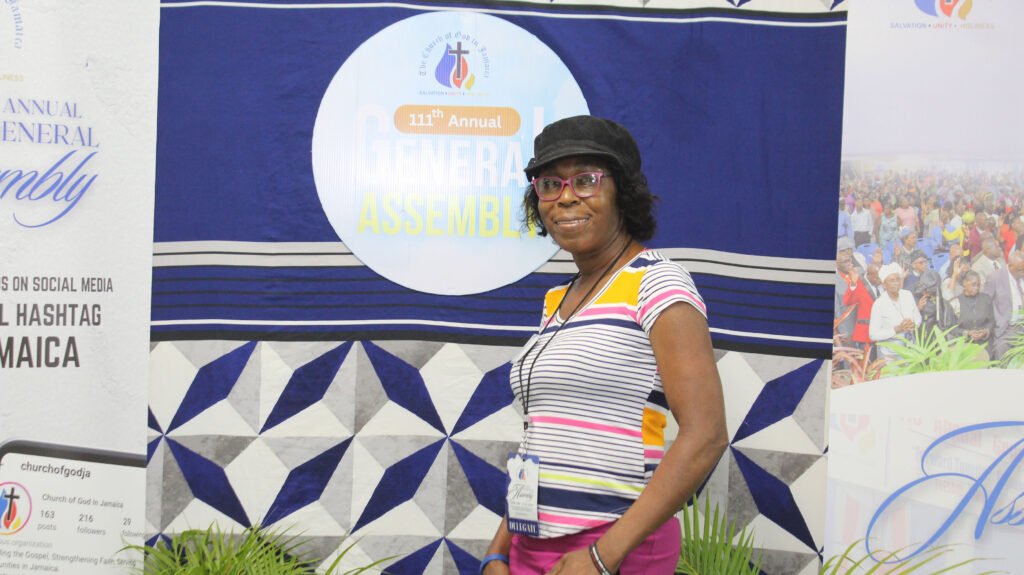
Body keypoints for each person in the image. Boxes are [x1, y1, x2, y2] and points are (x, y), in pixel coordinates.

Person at [482, 116, 728, 575]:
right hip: (529, 546)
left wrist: (601, 557)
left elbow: (706, 436)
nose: (566, 197)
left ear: (623, 192)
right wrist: (499, 549)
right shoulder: (557, 300)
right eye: (550, 184)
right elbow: (543, 438)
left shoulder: (658, 283)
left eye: (586, 180)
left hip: (615, 549)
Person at [869, 263, 921, 360]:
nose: (896, 283)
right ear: (884, 284)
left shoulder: (907, 295)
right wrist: (896, 329)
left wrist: (913, 324)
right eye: (892, 280)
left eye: (898, 279)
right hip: (890, 352)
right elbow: (873, 335)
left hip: (911, 346)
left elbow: (917, 317)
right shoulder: (879, 304)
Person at [984, 250, 1024, 361]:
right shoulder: (995, 278)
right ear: (1010, 266)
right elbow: (985, 303)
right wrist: (992, 326)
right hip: (1006, 328)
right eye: (1020, 270)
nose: (1023, 273)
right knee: (1002, 353)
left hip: (1022, 325)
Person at [952, 270, 994, 357]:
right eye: (973, 285)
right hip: (965, 347)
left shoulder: (986, 299)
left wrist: (986, 331)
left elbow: (992, 321)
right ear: (964, 283)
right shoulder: (955, 302)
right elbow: (951, 328)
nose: (977, 288)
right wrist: (967, 333)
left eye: (978, 285)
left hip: (985, 345)